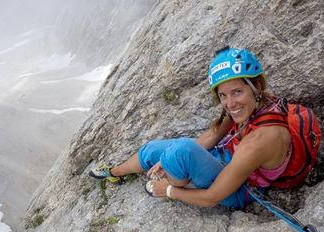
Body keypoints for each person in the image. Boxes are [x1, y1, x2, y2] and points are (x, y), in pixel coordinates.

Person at [88, 47, 293, 210]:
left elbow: (211, 198)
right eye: (223, 95)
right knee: (156, 150)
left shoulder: (262, 138)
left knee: (181, 150)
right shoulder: (250, 108)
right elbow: (212, 137)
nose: (230, 104)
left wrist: (168, 190)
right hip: (227, 157)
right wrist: (167, 158)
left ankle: (170, 175)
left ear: (256, 87)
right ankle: (114, 172)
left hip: (241, 189)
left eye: (237, 91)